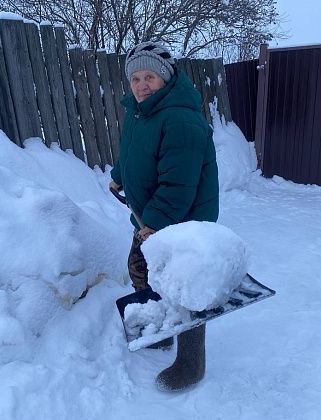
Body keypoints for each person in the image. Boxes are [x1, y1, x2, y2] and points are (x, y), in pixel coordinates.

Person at [109, 41, 219, 392]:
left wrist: (153, 222)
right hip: (150, 218)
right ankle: (162, 329)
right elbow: (134, 153)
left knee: (185, 287)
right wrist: (120, 175)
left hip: (183, 220)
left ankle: (191, 361)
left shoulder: (181, 119)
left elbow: (178, 184)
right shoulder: (142, 112)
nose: (141, 85)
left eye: (150, 77)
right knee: (140, 269)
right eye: (136, 78)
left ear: (166, 79)